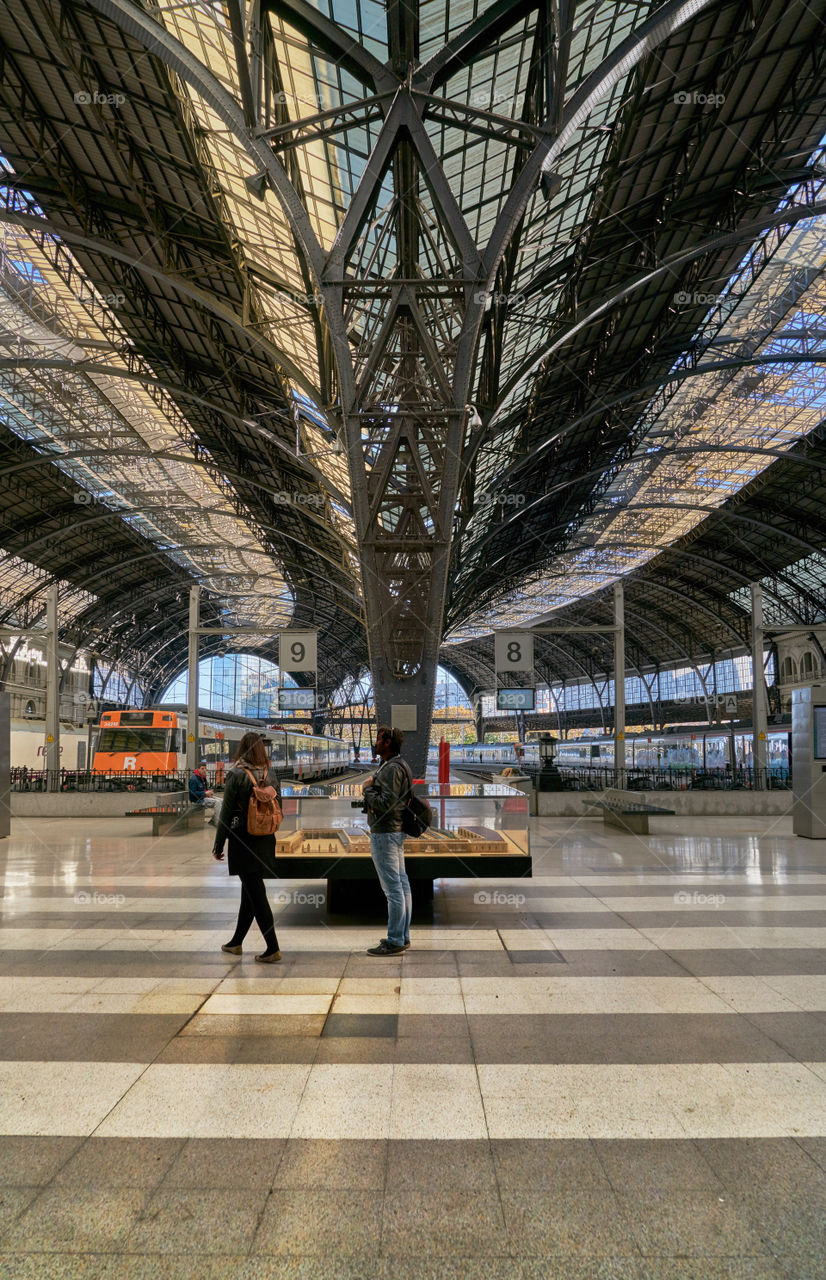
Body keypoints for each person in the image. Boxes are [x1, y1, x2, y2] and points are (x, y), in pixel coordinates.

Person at [212, 732, 282, 963]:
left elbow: (226, 812)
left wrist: (218, 844)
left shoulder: (236, 774)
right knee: (249, 892)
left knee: (256, 894)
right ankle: (236, 942)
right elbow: (278, 806)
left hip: (244, 839)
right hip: (265, 838)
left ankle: (273, 948)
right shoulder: (270, 773)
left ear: (241, 749)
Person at [362, 724, 412, 956]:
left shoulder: (392, 768)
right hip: (395, 831)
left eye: (379, 739)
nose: (376, 743)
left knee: (393, 889)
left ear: (388, 742)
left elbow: (385, 804)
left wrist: (367, 789)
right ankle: (402, 936)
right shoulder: (398, 764)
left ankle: (394, 941)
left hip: (385, 833)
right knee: (402, 885)